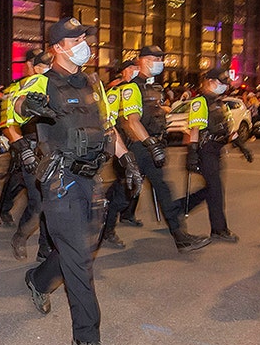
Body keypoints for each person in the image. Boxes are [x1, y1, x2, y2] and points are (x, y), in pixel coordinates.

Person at [14, 17, 142, 345]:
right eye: (75, 39)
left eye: (84, 36)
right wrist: (28, 108)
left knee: (82, 248)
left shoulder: (93, 83)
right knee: (80, 258)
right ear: (57, 47)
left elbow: (108, 127)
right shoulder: (40, 82)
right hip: (60, 181)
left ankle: (39, 281)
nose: (83, 42)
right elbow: (16, 107)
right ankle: (87, 335)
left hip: (92, 178)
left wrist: (128, 160)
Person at [105, 44, 210, 252]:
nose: (160, 63)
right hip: (139, 146)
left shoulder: (153, 88)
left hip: (152, 144)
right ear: (143, 60)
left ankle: (180, 236)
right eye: (155, 58)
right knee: (124, 193)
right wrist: (151, 145)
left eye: (161, 58)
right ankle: (105, 228)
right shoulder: (131, 87)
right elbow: (131, 121)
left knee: (162, 189)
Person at [0, 48, 55, 261]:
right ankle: (20, 237)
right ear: (34, 67)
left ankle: (45, 248)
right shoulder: (19, 89)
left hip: (55, 153)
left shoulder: (59, 86)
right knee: (38, 202)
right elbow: (7, 123)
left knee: (54, 203)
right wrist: (23, 150)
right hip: (31, 151)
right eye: (43, 66)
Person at [182, 66, 242, 242]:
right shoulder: (200, 102)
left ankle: (177, 208)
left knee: (211, 188)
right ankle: (219, 229)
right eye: (220, 83)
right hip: (205, 149)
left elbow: (228, 128)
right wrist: (192, 152)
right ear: (209, 81)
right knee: (215, 188)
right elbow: (195, 128)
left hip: (216, 149)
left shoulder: (220, 103)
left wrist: (241, 145)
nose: (224, 86)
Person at [99, 58, 145, 249]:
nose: (136, 70)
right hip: (123, 145)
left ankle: (123, 215)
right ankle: (107, 229)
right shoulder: (116, 91)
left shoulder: (138, 88)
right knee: (122, 191)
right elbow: (110, 119)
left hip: (136, 145)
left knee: (129, 187)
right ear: (125, 70)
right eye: (133, 67)